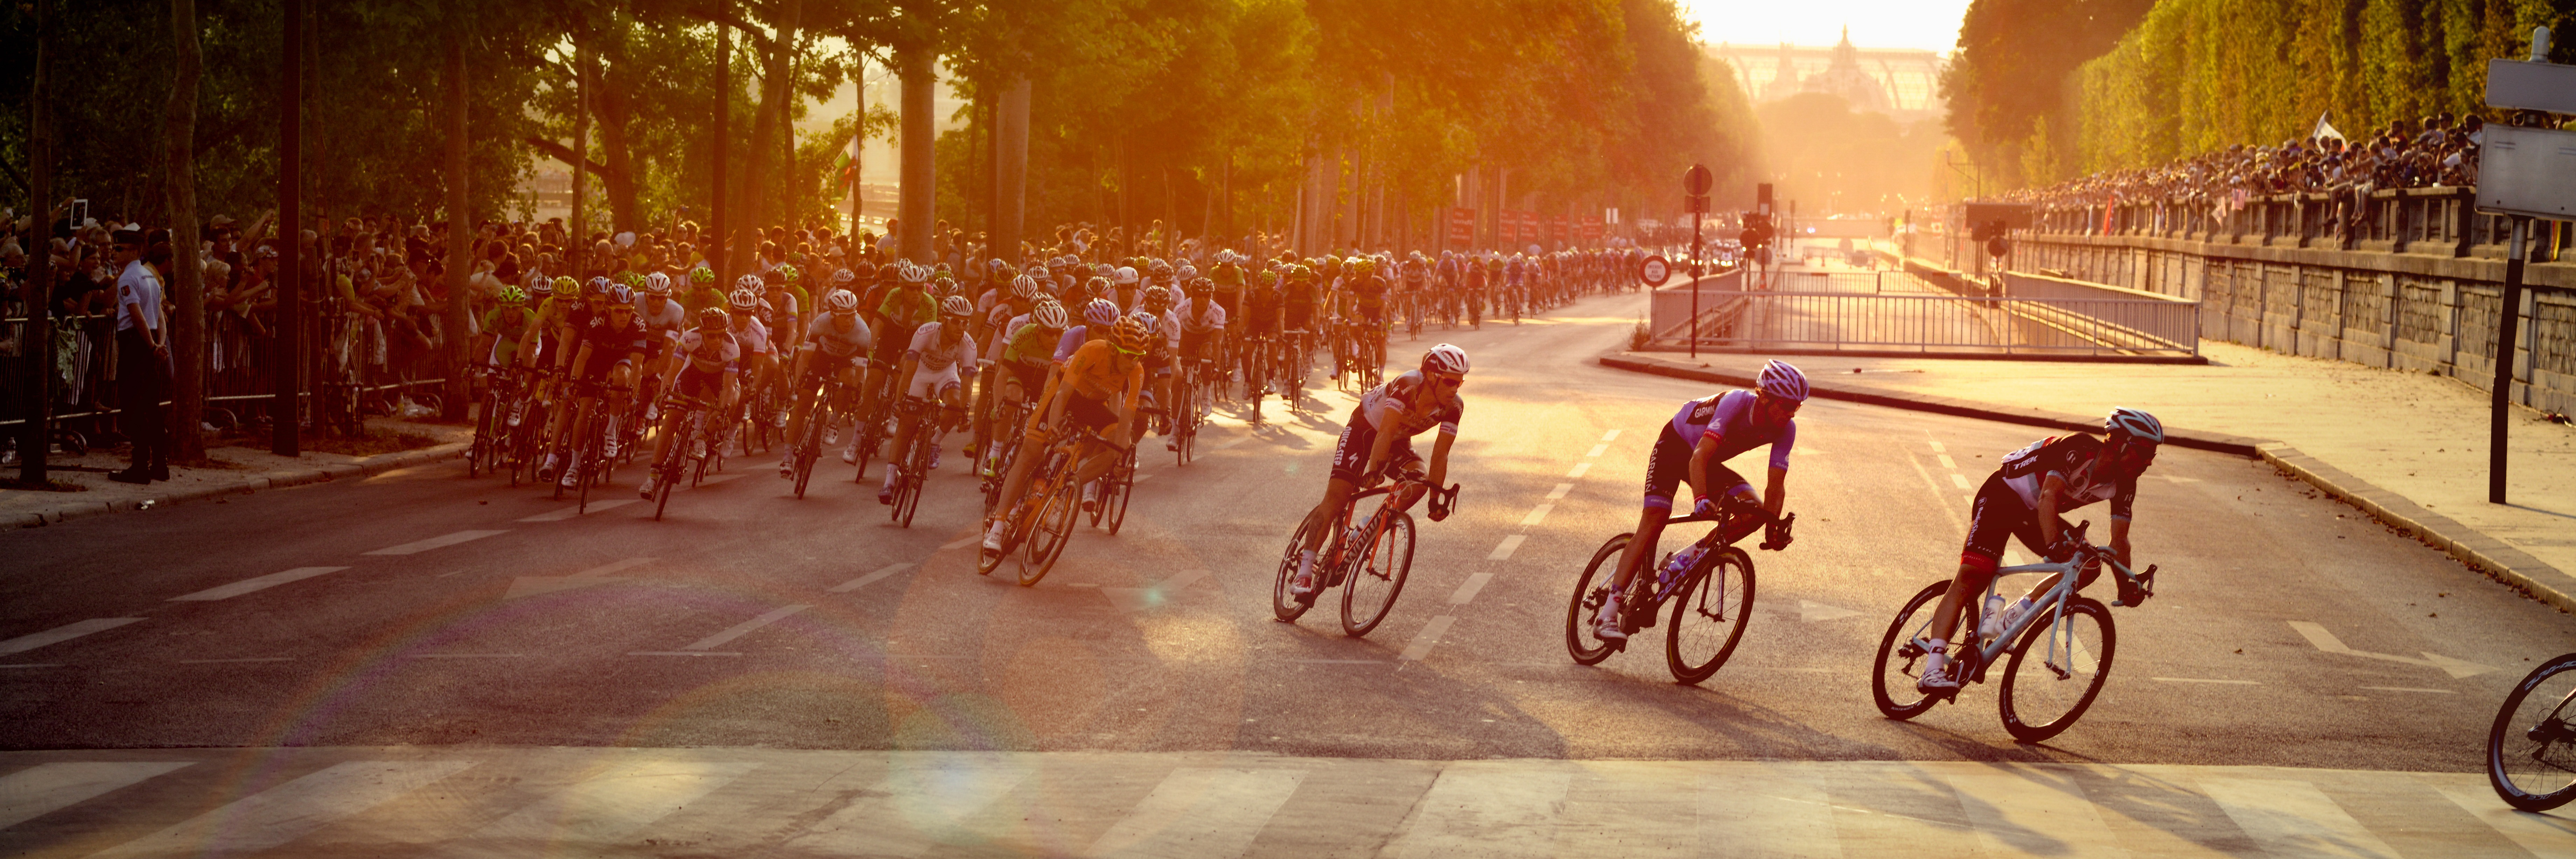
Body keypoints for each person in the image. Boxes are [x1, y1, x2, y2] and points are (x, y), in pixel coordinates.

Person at [1917, 408, 2165, 694]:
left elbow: (2119, 539)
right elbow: (2049, 496)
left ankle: (2013, 616)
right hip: (2005, 494)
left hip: (2034, 512)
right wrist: (2053, 544)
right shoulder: (2080, 448)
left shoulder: (2126, 481)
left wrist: (2126, 585)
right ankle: (1933, 667)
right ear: (2119, 442)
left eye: (2153, 455)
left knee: (2089, 565)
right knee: (1974, 574)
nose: (2148, 461)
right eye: (2143, 450)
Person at [1596, 360, 1807, 640]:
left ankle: (1687, 558)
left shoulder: (1786, 429)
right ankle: (1607, 614)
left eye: (1797, 407)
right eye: (1786, 404)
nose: (1791, 413)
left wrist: (1772, 526)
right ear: (1764, 397)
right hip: (1677, 447)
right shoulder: (1736, 403)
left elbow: (1776, 486)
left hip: (1707, 461)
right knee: (1655, 520)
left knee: (1754, 512)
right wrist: (1701, 498)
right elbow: (1699, 457)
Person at [1287, 344, 1469, 600]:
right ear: (1431, 376)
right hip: (1365, 431)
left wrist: (1434, 499)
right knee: (1338, 497)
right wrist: (1374, 470)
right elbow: (1383, 432)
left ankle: (1366, 528)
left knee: (1419, 482)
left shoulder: (1454, 407)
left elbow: (1441, 454)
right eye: (1450, 382)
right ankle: (1305, 570)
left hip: (1397, 440)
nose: (1455, 389)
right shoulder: (1407, 386)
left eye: (1460, 383)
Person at [981, 314, 1151, 552]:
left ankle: (1072, 484)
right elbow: (1062, 394)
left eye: (1139, 357)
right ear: (1114, 349)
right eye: (1130, 356)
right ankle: (997, 528)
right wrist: (1052, 427)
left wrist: (1121, 455)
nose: (1134, 363)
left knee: (1119, 444)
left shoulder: (1137, 372)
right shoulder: (1092, 350)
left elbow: (1126, 418)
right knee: (1031, 453)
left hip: (1092, 405)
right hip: (1064, 395)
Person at [879, 295, 979, 503]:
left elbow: (968, 382)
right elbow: (908, 370)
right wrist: (900, 400)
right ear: (944, 319)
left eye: (965, 322)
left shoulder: (969, 345)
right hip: (920, 372)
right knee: (906, 426)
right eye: (955, 321)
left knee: (955, 402)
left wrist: (964, 411)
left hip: (945, 373)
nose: (960, 327)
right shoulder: (926, 333)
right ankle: (889, 482)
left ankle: (935, 443)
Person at [638, 308, 744, 500]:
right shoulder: (689, 338)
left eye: (721, 335)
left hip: (720, 378)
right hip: (693, 373)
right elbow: (673, 371)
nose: (717, 340)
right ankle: (653, 476)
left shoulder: (732, 348)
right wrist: (665, 392)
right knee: (672, 419)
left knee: (732, 402)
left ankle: (703, 437)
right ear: (702, 332)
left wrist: (724, 409)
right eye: (712, 336)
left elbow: (728, 387)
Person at [778, 288, 874, 476]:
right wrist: (800, 380)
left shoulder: (863, 332)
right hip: (821, 357)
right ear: (833, 315)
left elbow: (862, 372)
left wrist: (858, 390)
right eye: (844, 316)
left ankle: (834, 421)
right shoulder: (820, 323)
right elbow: (805, 357)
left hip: (846, 361)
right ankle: (788, 457)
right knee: (803, 404)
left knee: (849, 380)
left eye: (852, 315)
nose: (849, 321)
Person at [109, 230, 169, 484]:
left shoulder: (129, 278)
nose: (115, 253)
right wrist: (159, 344)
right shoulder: (150, 276)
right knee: (151, 407)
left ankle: (140, 466)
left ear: (134, 251)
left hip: (136, 344)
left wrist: (153, 345)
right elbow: (160, 316)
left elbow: (137, 316)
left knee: (135, 406)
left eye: (120, 249)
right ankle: (160, 464)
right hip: (150, 342)